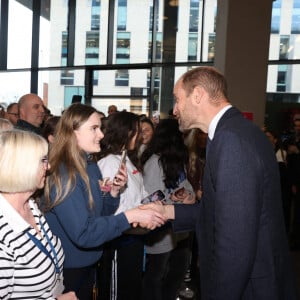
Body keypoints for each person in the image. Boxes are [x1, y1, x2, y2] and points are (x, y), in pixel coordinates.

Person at [142, 66, 298, 299]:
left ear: (198, 95)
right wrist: (166, 210)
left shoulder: (231, 140)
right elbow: (220, 212)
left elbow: (235, 241)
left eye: (177, 99)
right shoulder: (237, 131)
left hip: (250, 286)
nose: (174, 110)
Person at [42, 103, 165, 299]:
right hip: (69, 268)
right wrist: (130, 215)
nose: (101, 135)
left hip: (87, 262)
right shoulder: (66, 174)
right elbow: (84, 233)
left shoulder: (88, 165)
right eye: (94, 128)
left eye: (100, 128)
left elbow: (100, 214)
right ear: (73, 133)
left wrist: (114, 192)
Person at [0, 130, 77, 300]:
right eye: (43, 160)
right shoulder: (2, 234)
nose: (48, 167)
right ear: (21, 166)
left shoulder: (30, 205)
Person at [140, 118, 195, 300]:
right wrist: (176, 200)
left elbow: (186, 187)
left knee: (175, 276)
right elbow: (152, 199)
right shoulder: (155, 163)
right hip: (161, 232)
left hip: (178, 230)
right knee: (156, 278)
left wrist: (186, 195)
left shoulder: (175, 161)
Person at [97, 111, 148, 300]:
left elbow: (140, 195)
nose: (140, 136)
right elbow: (110, 208)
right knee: (117, 293)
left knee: (131, 290)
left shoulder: (128, 160)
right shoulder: (109, 163)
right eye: (137, 131)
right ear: (125, 132)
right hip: (119, 241)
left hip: (133, 240)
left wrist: (154, 204)